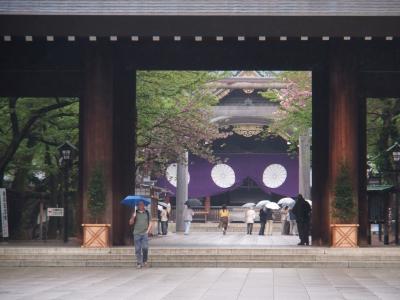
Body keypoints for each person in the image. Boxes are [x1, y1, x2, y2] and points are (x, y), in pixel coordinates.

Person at [129, 201, 152, 268]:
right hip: (136, 233)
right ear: (137, 206)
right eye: (139, 205)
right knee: (137, 249)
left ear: (144, 205)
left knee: (145, 247)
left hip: (144, 233)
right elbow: (130, 223)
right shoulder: (135, 213)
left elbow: (150, 222)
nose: (140, 206)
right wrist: (133, 217)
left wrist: (148, 231)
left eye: (141, 204)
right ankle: (139, 263)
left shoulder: (147, 213)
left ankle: (145, 261)